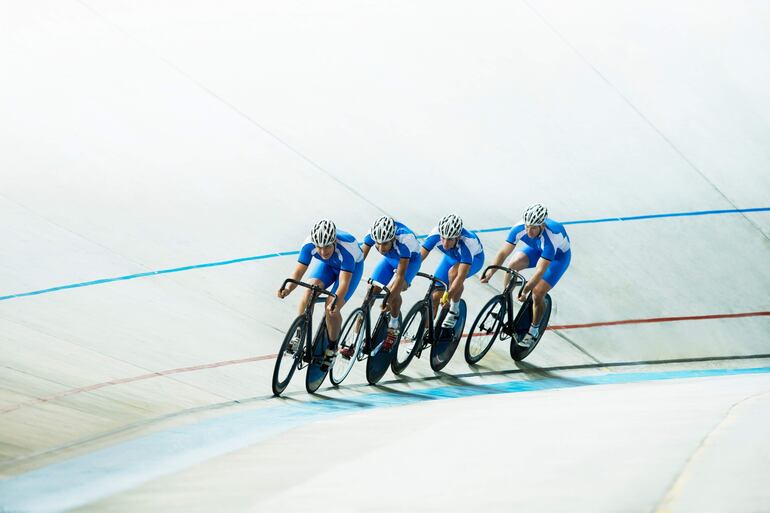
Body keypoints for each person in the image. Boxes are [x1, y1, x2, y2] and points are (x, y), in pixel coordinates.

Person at [277, 219, 364, 367]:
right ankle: (299, 335)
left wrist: (336, 302)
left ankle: (332, 347)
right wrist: (288, 289)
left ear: (334, 241)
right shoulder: (308, 245)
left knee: (331, 308)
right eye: (320, 247)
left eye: (327, 247)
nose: (323, 252)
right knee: (309, 292)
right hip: (328, 266)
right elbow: (298, 272)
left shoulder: (347, 249)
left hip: (351, 270)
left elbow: (343, 283)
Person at [481, 203, 571, 346]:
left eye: (534, 228)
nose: (529, 231)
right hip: (536, 249)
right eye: (527, 226)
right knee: (512, 266)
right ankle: (504, 301)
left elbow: (540, 271)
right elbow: (503, 252)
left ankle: (534, 330)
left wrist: (525, 290)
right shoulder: (519, 228)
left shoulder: (551, 238)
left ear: (542, 226)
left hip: (558, 258)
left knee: (537, 292)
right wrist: (491, 271)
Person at [341, 215, 422, 355]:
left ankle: (394, 324)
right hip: (389, 261)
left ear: (392, 239)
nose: (380, 247)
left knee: (393, 291)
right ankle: (354, 342)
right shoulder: (372, 234)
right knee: (369, 294)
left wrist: (389, 299)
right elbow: (359, 260)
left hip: (409, 263)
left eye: (385, 244)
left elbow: (400, 276)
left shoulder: (405, 241)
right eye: (378, 244)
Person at [421, 214, 485, 329]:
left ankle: (454, 310)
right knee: (434, 297)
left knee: (454, 274)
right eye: (443, 238)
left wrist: (448, 296)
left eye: (450, 239)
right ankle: (422, 336)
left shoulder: (468, 242)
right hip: (451, 258)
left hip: (474, 259)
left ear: (458, 237)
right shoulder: (435, 234)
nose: (445, 243)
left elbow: (460, 277)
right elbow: (418, 258)